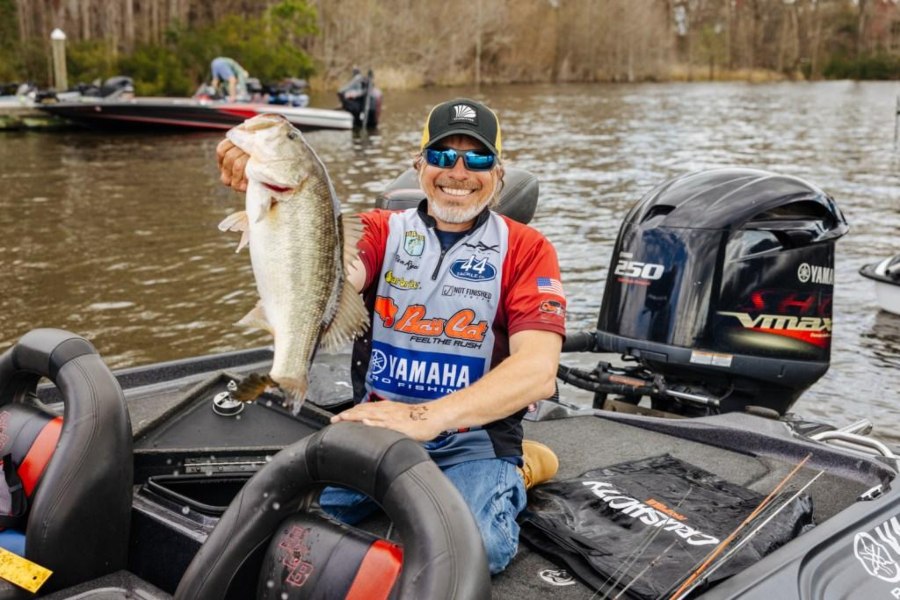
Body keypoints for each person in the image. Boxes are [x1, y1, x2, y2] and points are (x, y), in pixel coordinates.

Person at [216, 98, 565, 574]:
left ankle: (518, 467)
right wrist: (262, 187)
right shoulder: (380, 230)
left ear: (498, 172)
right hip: (378, 430)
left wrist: (426, 417)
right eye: (442, 156)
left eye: (477, 158)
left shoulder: (528, 249)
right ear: (418, 164)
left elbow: (539, 372)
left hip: (473, 440)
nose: (458, 172)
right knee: (289, 530)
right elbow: (331, 272)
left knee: (474, 552)